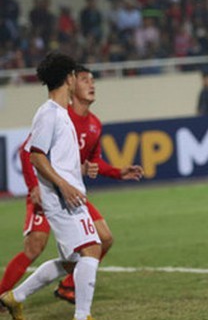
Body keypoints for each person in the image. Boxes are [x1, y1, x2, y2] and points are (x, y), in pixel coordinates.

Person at [0, 66, 144, 305]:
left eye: (93, 80)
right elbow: (30, 153)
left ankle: (69, 286)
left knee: (104, 238)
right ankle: (3, 294)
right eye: (85, 80)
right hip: (47, 190)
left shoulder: (94, 124)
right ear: (71, 85)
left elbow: (93, 162)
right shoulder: (57, 115)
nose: (92, 84)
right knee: (35, 246)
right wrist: (33, 185)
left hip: (70, 194)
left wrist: (118, 172)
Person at [0, 53, 109, 320]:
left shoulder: (59, 113)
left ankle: (15, 296)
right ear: (69, 79)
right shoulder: (49, 113)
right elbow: (35, 155)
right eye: (77, 75)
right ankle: (82, 317)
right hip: (62, 198)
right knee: (93, 247)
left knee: (70, 260)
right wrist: (63, 185)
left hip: (68, 194)